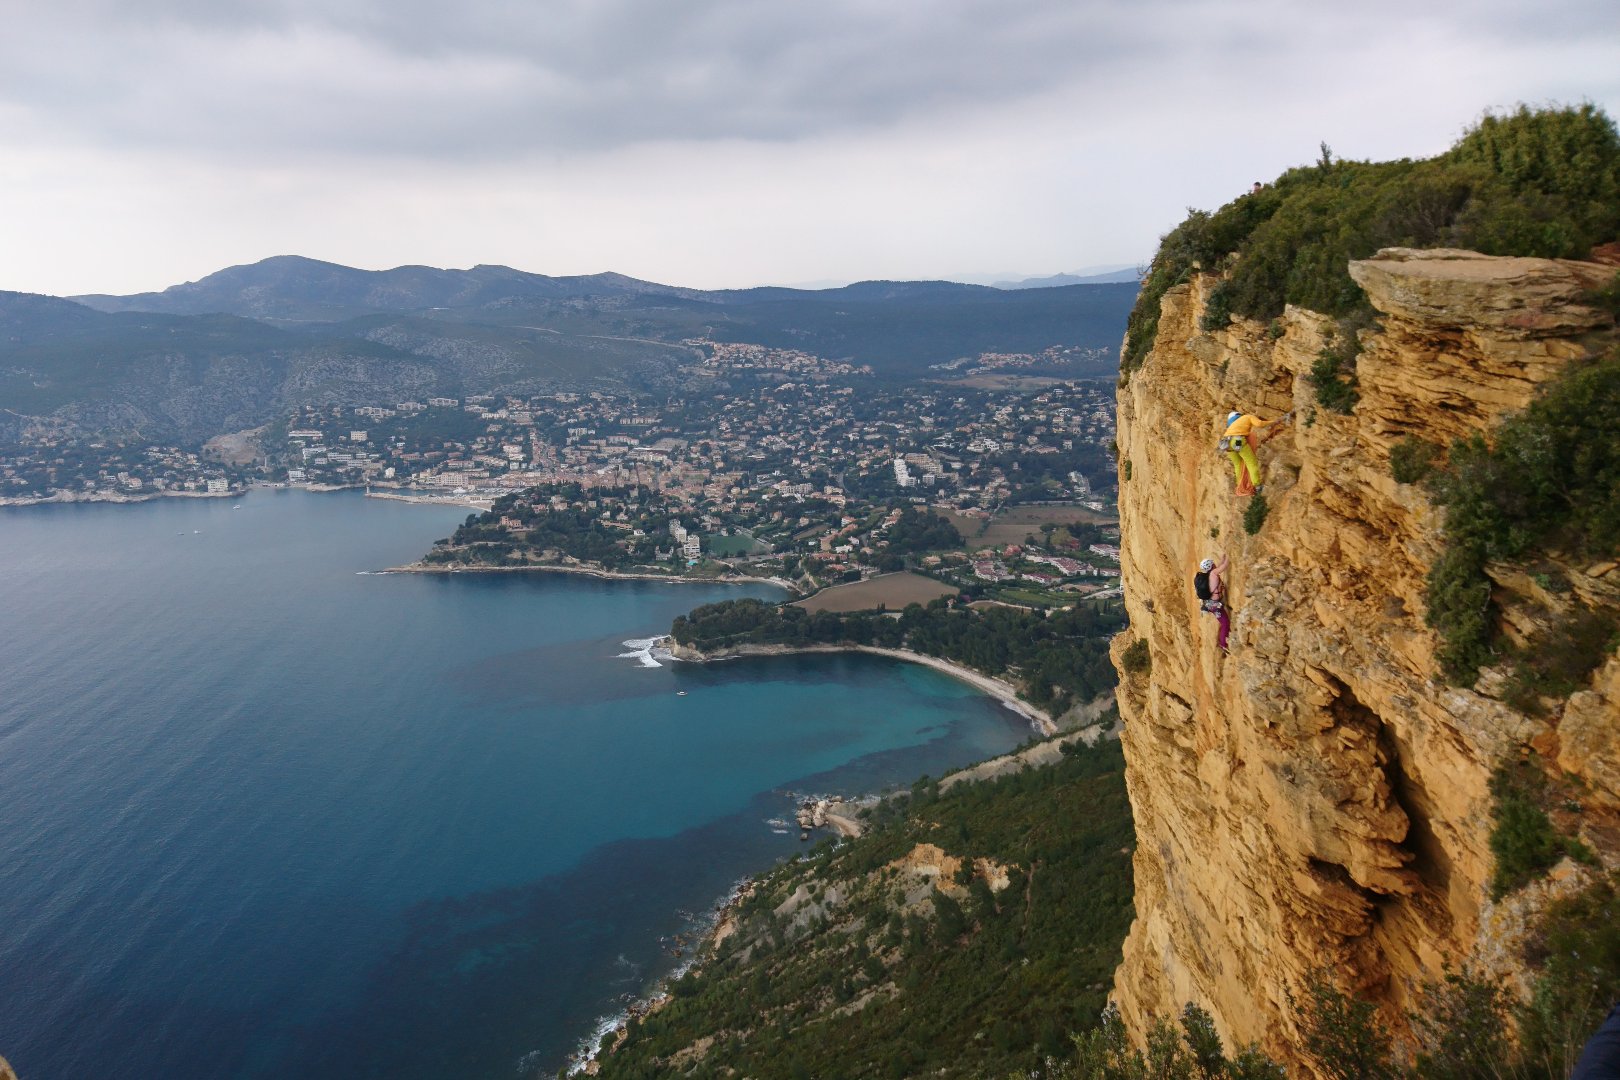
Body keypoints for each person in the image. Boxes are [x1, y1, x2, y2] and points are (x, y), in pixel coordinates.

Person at [1221, 409, 1289, 495]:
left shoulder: (1231, 427)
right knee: (1251, 463)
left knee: (1238, 465)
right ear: (1239, 415)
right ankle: (1257, 485)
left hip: (1226, 444)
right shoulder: (1247, 417)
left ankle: (1240, 486)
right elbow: (1259, 424)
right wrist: (1273, 421)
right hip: (1237, 441)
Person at [1193, 554, 1230, 652]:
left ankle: (1224, 639)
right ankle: (1223, 644)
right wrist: (1229, 556)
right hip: (1215, 605)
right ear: (1211, 565)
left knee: (1224, 622)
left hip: (1210, 604)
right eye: (1212, 563)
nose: (1214, 563)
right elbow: (1224, 566)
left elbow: (1219, 568)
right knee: (1225, 623)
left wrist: (1222, 559)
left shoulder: (1209, 575)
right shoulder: (1213, 573)